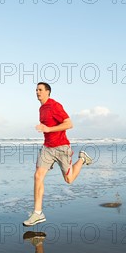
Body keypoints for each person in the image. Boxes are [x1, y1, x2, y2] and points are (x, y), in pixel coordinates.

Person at [23, 82, 92, 227]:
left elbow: (69, 124)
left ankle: (82, 159)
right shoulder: (41, 108)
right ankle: (38, 213)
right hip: (47, 148)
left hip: (61, 147)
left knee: (69, 179)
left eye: (40, 90)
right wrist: (46, 131)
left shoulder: (55, 106)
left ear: (48, 92)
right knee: (37, 176)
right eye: (36, 90)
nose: (37, 92)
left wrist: (48, 129)